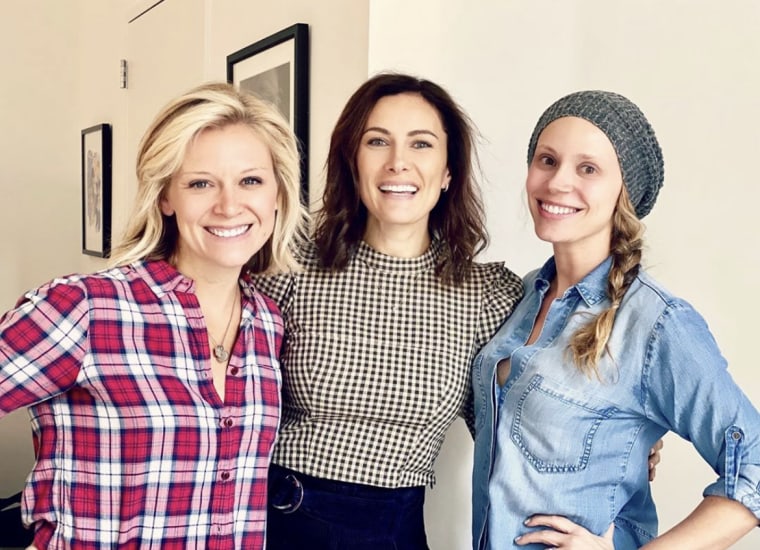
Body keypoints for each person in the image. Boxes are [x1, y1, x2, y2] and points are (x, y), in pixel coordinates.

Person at [0, 81, 306, 549]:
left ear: (278, 195)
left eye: (251, 180)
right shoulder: (87, 309)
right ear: (166, 197)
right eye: (200, 183)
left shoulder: (267, 322)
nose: (229, 205)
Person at [471, 90, 760, 549]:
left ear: (623, 190)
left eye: (588, 168)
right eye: (547, 160)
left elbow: (753, 466)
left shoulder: (656, 323)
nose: (558, 182)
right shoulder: (524, 294)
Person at [253, 73, 524, 549]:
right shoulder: (291, 264)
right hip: (281, 521)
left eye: (421, 144)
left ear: (448, 173)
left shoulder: (487, 295)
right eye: (377, 141)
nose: (398, 163)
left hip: (394, 531)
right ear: (352, 162)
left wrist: (620, 443)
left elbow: (525, 422)